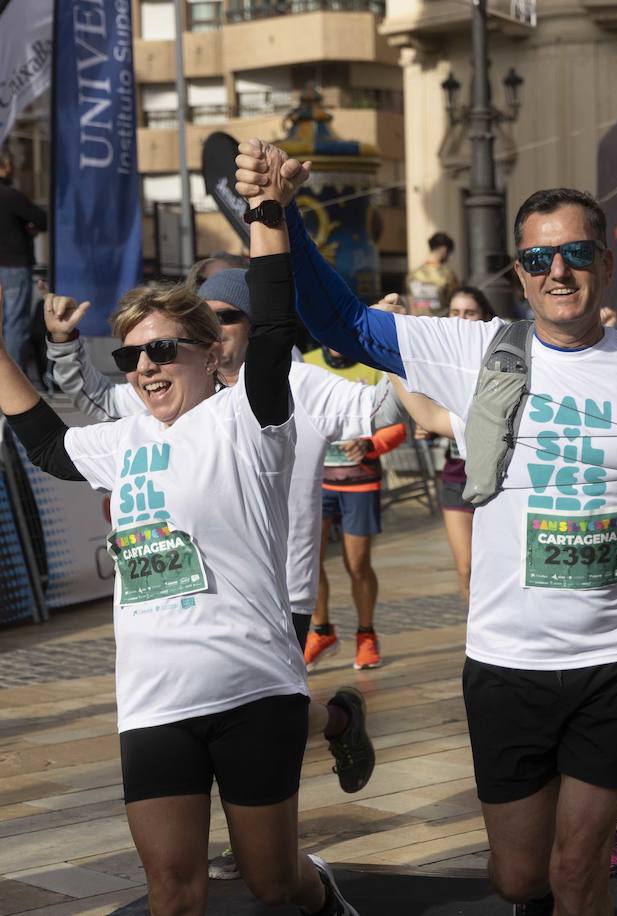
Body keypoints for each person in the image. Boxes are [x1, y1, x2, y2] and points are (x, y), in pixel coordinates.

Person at [238, 139, 617, 916]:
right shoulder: (477, 350)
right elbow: (343, 323)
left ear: (607, 265)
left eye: (577, 253)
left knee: (582, 866)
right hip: (506, 662)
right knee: (519, 876)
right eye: (538, 257)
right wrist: (282, 215)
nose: (559, 271)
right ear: (518, 273)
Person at [1, 145, 359, 915]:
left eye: (162, 350)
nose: (144, 369)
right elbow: (38, 440)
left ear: (205, 351)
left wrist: (265, 212)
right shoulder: (124, 439)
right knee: (172, 892)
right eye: (130, 356)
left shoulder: (246, 418)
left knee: (273, 883)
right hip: (153, 699)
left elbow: (269, 324)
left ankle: (325, 897)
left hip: (251, 688)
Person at [44, 269, 381, 880]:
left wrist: (391, 344)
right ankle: (325, 730)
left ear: (228, 336)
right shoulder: (143, 417)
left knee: (269, 864)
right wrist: (63, 348)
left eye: (229, 316)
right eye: (134, 354)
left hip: (279, 591)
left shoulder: (276, 393)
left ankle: (278, 827)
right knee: (180, 878)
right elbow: (80, 412)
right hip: (160, 682)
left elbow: (374, 403)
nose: (147, 363)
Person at [302, 346, 407, 671]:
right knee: (307, 561)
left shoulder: (372, 362)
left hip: (359, 480)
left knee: (357, 564)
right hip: (315, 481)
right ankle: (321, 631)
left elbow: (398, 422)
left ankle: (366, 634)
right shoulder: (307, 364)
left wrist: (371, 444)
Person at [438, 286, 497, 601]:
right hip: (456, 474)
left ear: (484, 317)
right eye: (455, 312)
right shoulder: (438, 360)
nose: (461, 319)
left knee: (499, 566)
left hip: (498, 476)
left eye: (469, 313)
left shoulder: (502, 356)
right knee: (466, 568)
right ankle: (476, 637)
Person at [0, 147, 47, 379]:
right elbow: (41, 219)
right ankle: (12, 382)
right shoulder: (11, 195)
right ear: (5, 166)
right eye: (11, 164)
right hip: (13, 267)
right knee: (14, 325)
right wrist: (30, 228)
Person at [407, 231, 461, 318]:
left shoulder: (413, 274)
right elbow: (456, 301)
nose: (448, 258)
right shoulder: (448, 275)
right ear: (444, 249)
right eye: (449, 254)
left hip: (417, 323)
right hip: (440, 324)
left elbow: (411, 301)